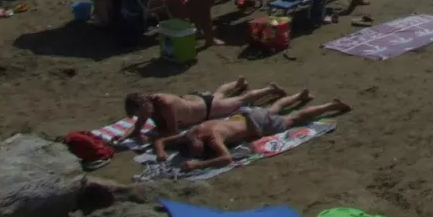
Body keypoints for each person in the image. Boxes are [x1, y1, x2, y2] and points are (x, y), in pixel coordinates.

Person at [152, 90, 349, 172]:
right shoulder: (192, 133)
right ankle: (300, 94)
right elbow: (162, 141)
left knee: (294, 119)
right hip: (246, 116)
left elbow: (226, 159)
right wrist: (161, 152)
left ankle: (331, 105)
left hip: (255, 125)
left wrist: (197, 165)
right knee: (274, 110)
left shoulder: (212, 138)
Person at [122, 78, 284, 143]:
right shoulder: (148, 104)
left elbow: (172, 131)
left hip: (205, 109)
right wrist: (122, 137)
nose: (143, 117)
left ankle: (269, 89)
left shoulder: (165, 104)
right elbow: (137, 126)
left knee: (240, 101)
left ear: (143, 104)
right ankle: (237, 83)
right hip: (195, 102)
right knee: (217, 95)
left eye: (141, 113)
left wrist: (150, 139)